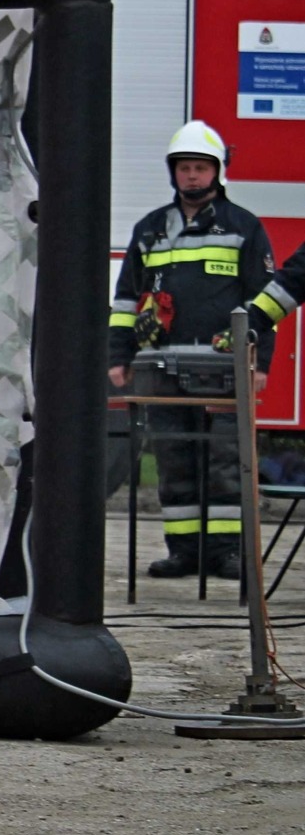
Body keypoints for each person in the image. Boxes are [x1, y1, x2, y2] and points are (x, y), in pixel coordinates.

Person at [108, 120, 275, 581]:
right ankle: (184, 551)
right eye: (185, 168)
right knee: (173, 458)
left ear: (217, 172)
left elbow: (264, 302)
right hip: (162, 368)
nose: (193, 176)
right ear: (173, 172)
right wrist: (118, 358)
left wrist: (259, 361)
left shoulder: (244, 227)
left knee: (225, 458)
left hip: (223, 369)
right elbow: (125, 303)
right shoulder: (150, 230)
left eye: (201, 168)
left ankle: (226, 553)